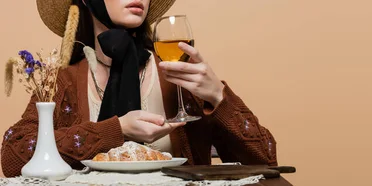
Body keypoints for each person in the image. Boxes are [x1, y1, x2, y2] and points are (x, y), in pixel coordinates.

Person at [1, 0, 277, 177]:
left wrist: (219, 97)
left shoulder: (179, 75)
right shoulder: (62, 81)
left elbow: (266, 158)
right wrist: (116, 129)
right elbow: (13, 157)